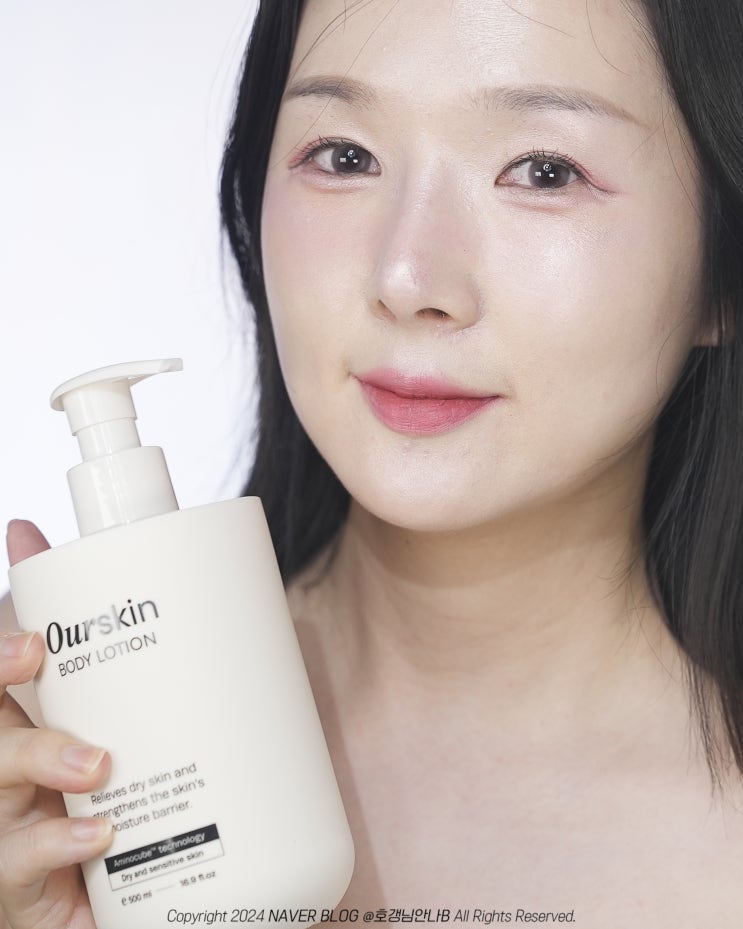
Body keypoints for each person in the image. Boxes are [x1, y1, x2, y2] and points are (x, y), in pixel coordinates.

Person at [2, 0, 743, 926]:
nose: (407, 278)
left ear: (723, 268)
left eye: (543, 171)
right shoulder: (55, 772)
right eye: (345, 156)